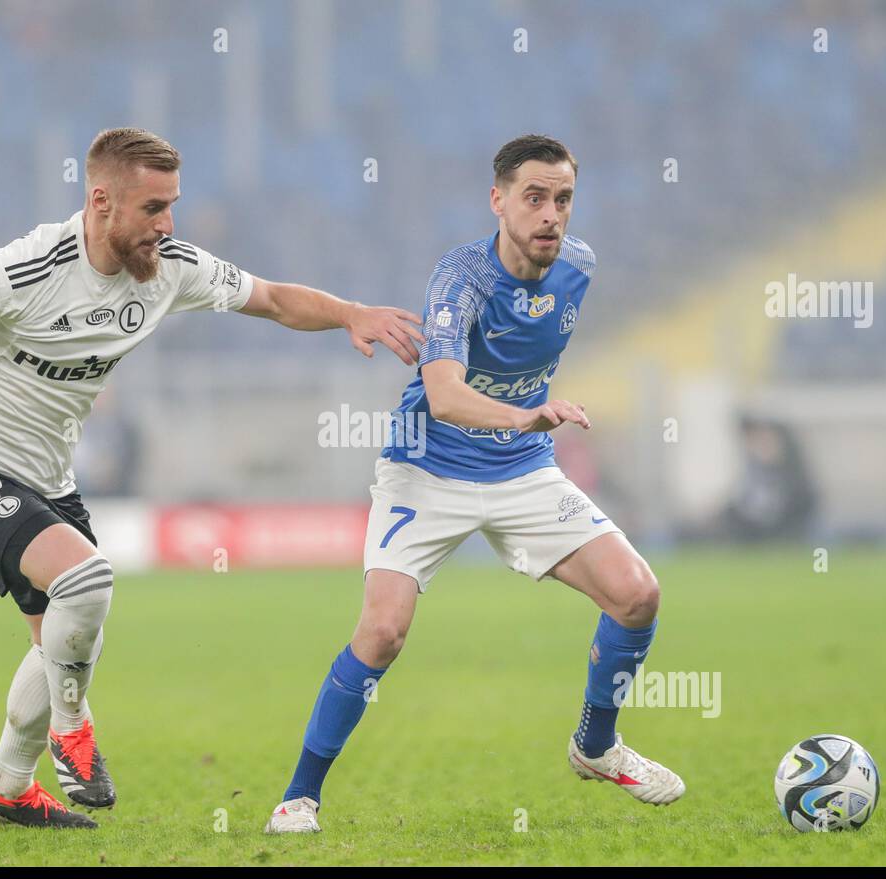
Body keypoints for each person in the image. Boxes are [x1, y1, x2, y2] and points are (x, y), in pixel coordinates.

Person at [0, 127, 423, 828]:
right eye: (153, 208)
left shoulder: (170, 268)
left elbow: (276, 300)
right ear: (101, 201)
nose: (167, 225)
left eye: (172, 207)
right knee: (87, 581)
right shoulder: (23, 268)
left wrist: (351, 312)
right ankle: (74, 736)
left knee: (66, 640)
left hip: (48, 480)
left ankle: (7, 785)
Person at [264, 134, 684, 835]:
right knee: (383, 632)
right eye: (534, 197)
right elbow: (446, 394)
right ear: (497, 200)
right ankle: (299, 797)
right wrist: (527, 415)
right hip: (426, 465)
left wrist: (526, 424)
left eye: (564, 199)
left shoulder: (579, 267)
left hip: (519, 468)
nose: (552, 214)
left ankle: (597, 745)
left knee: (638, 594)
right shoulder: (460, 279)